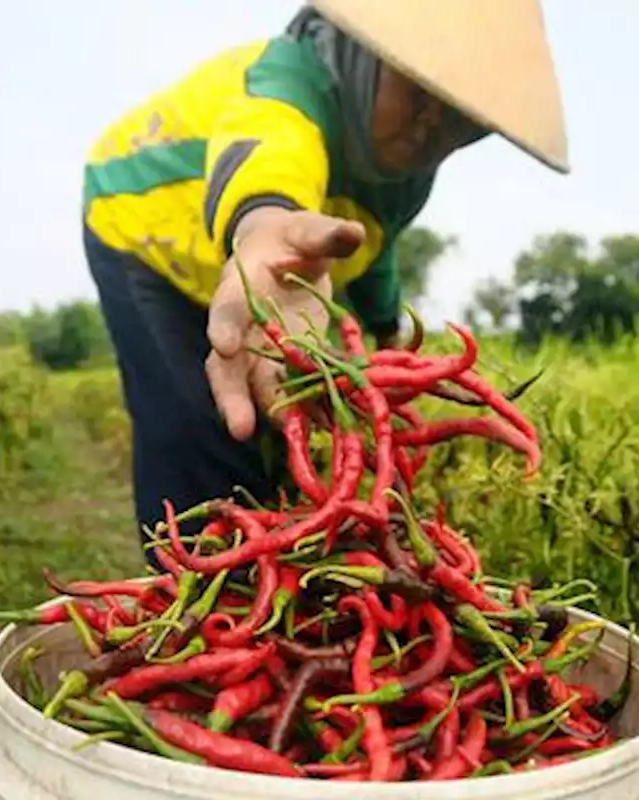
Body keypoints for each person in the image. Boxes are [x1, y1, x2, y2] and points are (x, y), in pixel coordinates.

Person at [80, 0, 569, 559]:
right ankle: (184, 601)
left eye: (458, 117)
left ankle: (257, 600)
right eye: (417, 93)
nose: (430, 127)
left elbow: (370, 243)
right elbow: (266, 151)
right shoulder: (290, 79)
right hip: (143, 230)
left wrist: (387, 324)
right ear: (367, 54)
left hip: (256, 280)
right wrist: (266, 223)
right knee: (193, 429)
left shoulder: (404, 178)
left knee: (282, 430)